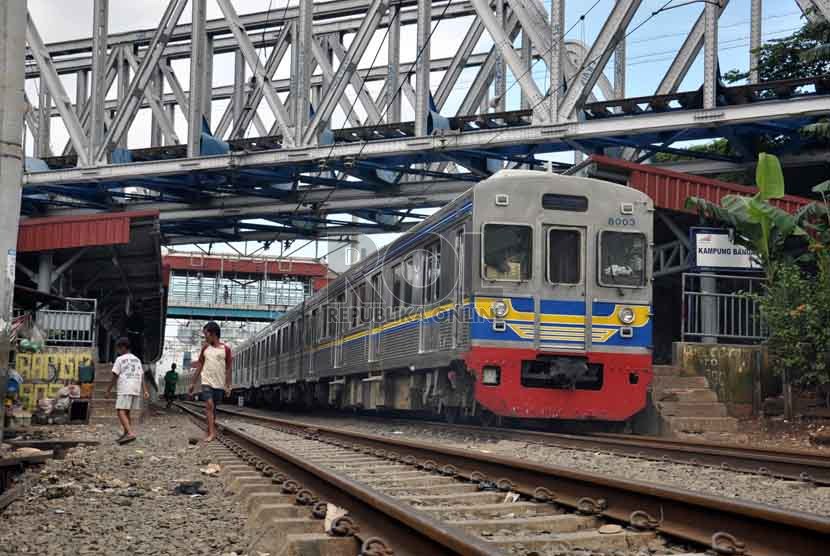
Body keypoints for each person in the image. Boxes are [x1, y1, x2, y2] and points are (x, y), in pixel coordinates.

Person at [189, 322, 232, 442]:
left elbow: (228, 368)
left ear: (213, 334)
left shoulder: (226, 350)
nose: (205, 337)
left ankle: (209, 429)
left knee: (213, 408)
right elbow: (200, 366)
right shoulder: (205, 348)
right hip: (206, 381)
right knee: (209, 405)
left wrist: (228, 385)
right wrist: (193, 383)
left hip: (219, 383)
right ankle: (212, 433)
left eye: (206, 334)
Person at [106, 337, 149, 445]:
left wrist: (108, 390)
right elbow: (142, 375)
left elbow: (115, 375)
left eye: (118, 348)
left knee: (120, 410)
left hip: (125, 387)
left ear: (123, 347)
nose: (118, 351)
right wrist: (145, 390)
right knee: (127, 411)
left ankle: (130, 433)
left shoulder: (120, 359)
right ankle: (126, 434)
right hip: (135, 387)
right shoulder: (137, 359)